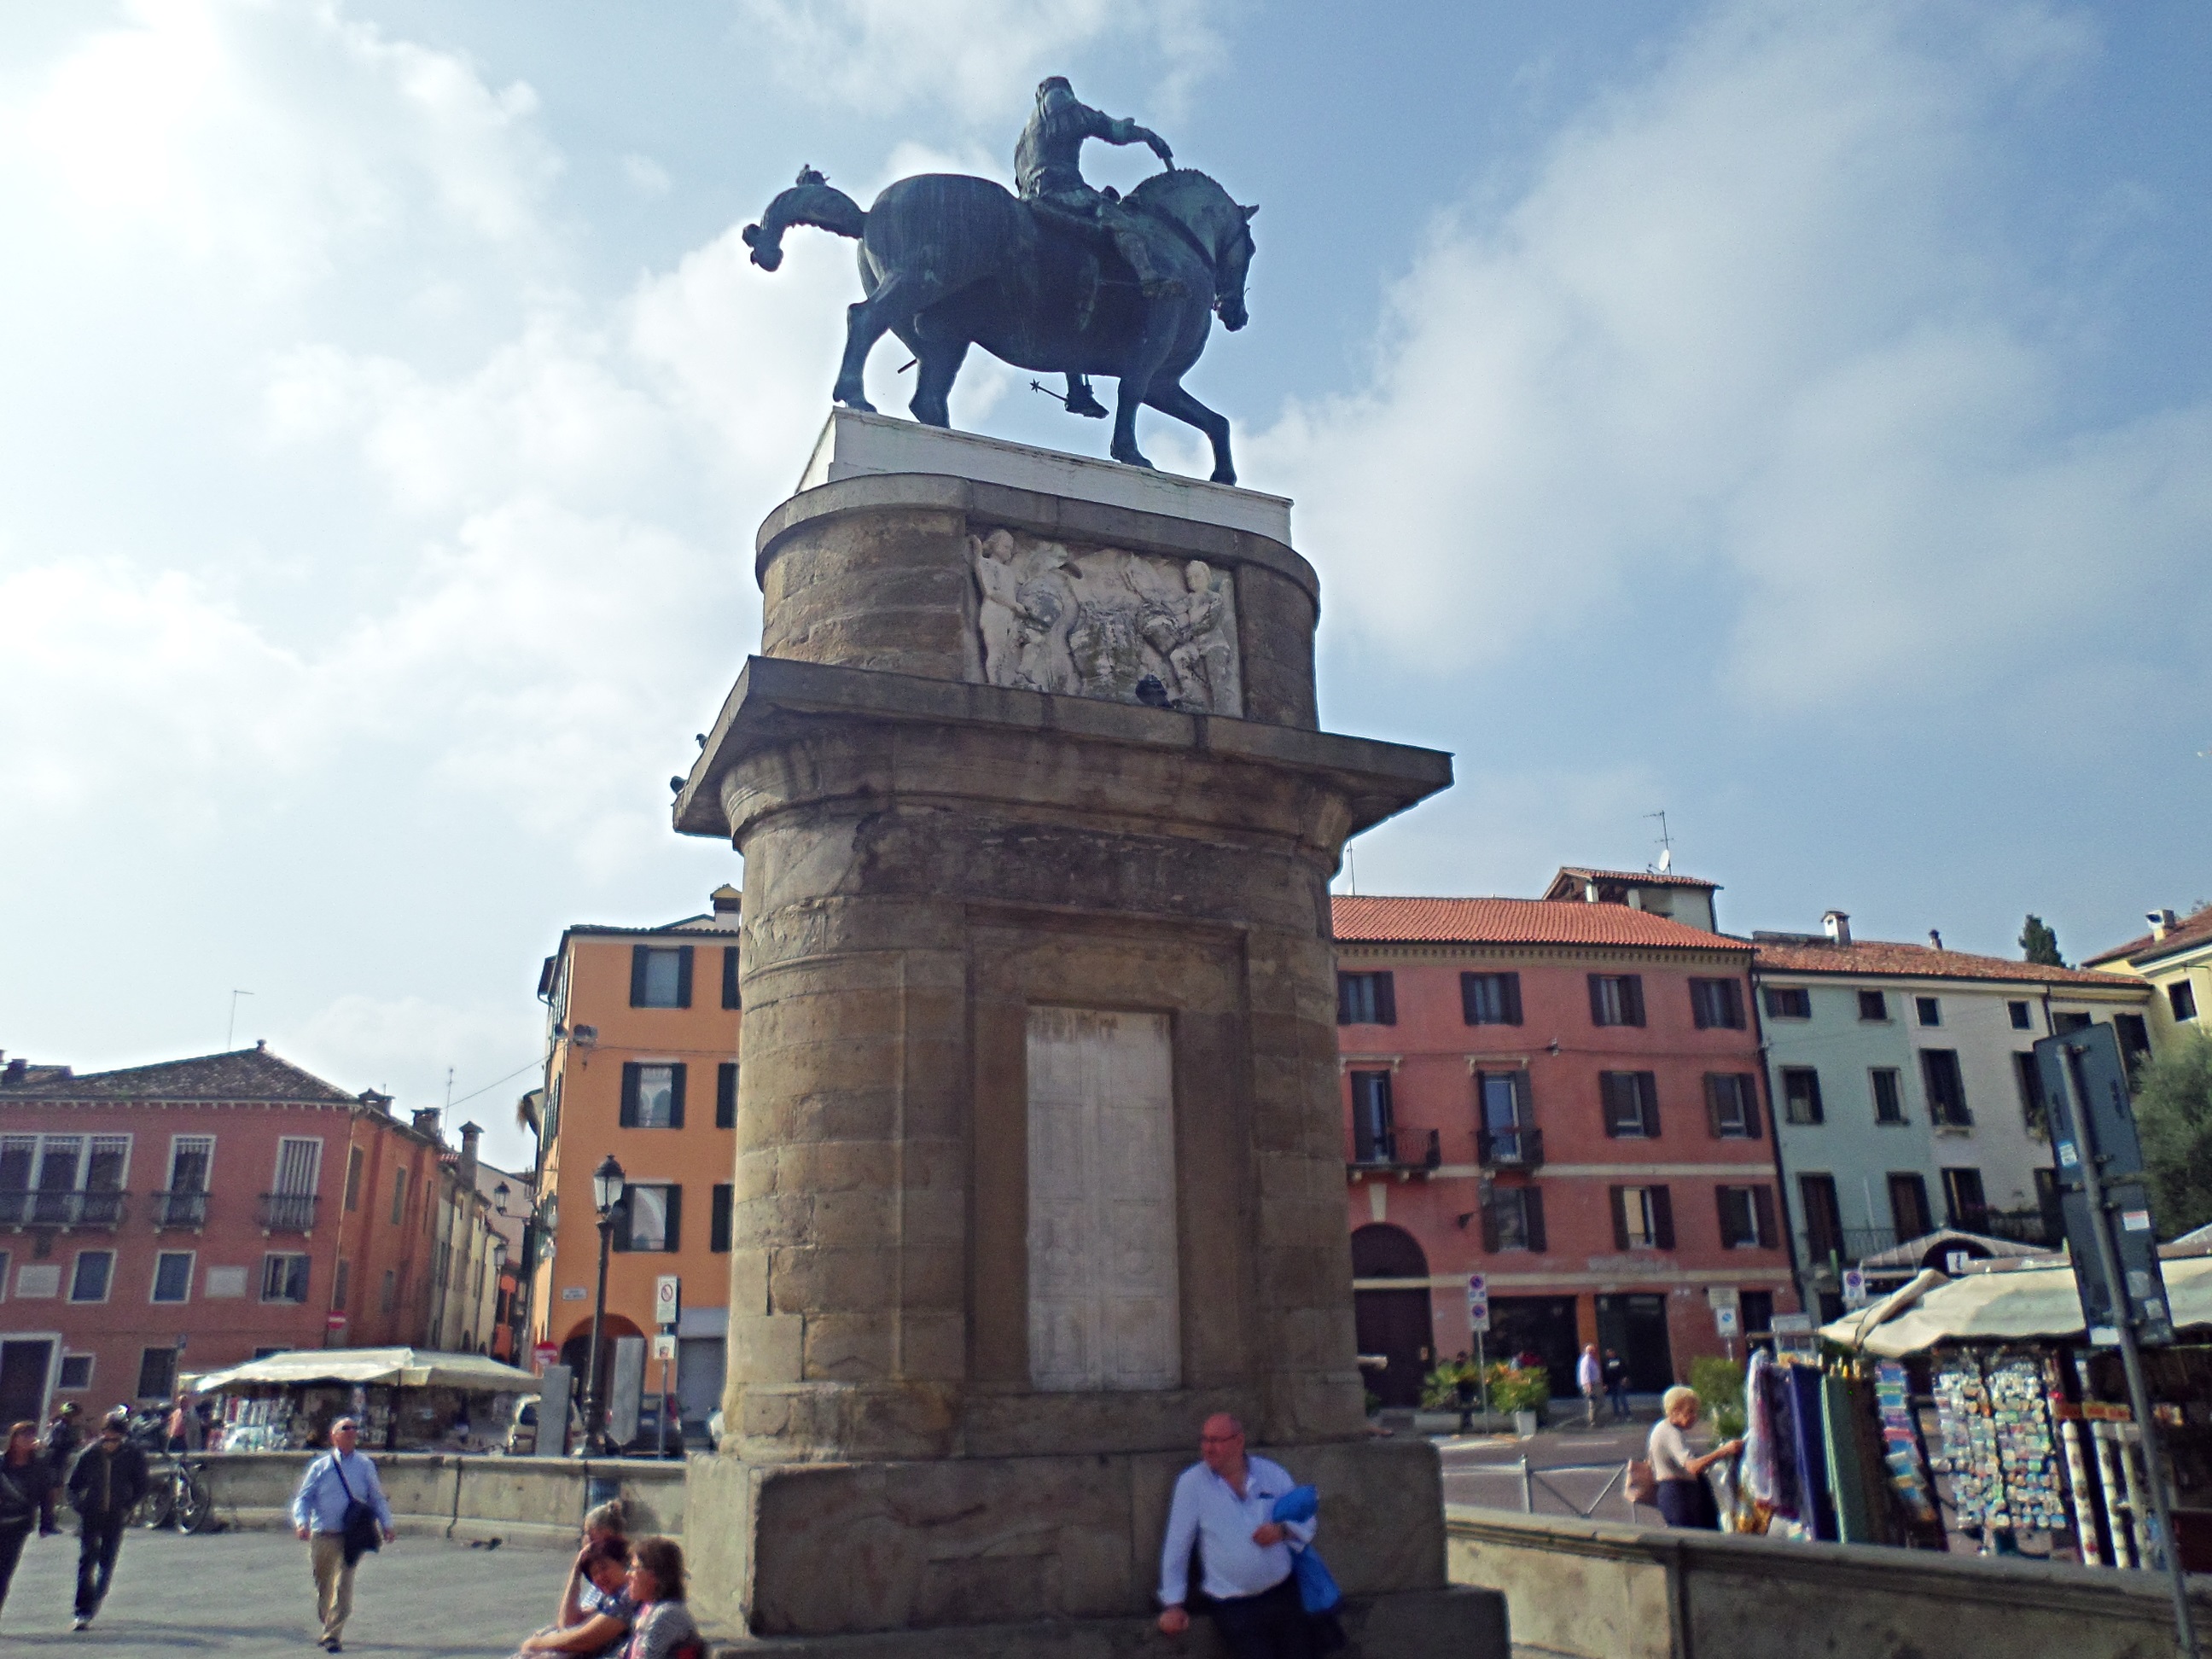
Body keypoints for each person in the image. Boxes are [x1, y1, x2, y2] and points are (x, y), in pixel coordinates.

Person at [1014, 74, 1181, 418]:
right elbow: (1112, 129)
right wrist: (1147, 136)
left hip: (1031, 195)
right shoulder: (1064, 106)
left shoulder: (1024, 136)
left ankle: (1078, 388)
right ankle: (1149, 277)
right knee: (1121, 219)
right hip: (1062, 191)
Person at [1157, 1413, 1315, 1658]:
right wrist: (1173, 1604)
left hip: (1282, 1592)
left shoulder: (1271, 1473)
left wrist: (1282, 1531)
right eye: (1205, 1440)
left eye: (1217, 1440)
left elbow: (1306, 1516)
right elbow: (1177, 1545)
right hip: (1233, 1603)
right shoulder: (1192, 1484)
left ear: (1239, 1441)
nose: (1209, 1448)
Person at [292, 1415, 397, 1651]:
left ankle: (333, 1634)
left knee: (344, 1585)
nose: (351, 1432)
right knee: (324, 1583)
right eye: (345, 1428)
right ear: (334, 1436)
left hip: (351, 1535)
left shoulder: (365, 1465)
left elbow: (376, 1497)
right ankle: (327, 1618)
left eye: (354, 1429)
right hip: (323, 1533)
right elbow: (304, 1498)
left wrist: (387, 1523)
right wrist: (302, 1522)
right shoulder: (321, 1467)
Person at [66, 1408, 148, 1630]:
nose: (110, 1442)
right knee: (86, 1561)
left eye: (116, 1437)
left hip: (115, 1515)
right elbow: (72, 1486)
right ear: (103, 1433)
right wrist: (80, 1507)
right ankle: (82, 1611)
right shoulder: (90, 1454)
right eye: (107, 1436)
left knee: (107, 1562)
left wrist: (128, 1506)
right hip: (91, 1515)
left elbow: (142, 1484)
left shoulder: (132, 1454)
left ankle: (94, 1600)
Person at [515, 1536, 635, 1658]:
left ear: (624, 1563)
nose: (600, 1577)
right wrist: (576, 1572)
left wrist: (536, 1644)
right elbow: (569, 1622)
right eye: (594, 1574)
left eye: (604, 1568)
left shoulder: (627, 1596)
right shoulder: (610, 1598)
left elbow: (584, 1641)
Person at [1648, 1386, 1742, 1531]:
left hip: (1680, 1493)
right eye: (1690, 1411)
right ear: (1675, 1410)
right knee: (1694, 1541)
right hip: (1678, 1494)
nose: (1694, 1417)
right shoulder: (1670, 1433)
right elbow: (1692, 1467)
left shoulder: (1663, 1429)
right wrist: (1724, 1451)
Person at [0, 1420, 61, 1624]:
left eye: (30, 1436)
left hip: (17, 1526)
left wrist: (47, 1522)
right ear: (13, 1439)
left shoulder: (39, 1467)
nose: (26, 1440)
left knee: (4, 1572)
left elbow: (47, 1495)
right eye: (22, 1436)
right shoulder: (2, 1464)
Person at [619, 1536, 698, 1659]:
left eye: (634, 1568)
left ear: (654, 1576)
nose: (628, 1574)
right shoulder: (648, 1606)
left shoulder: (668, 1614)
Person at [44, 1401, 82, 1466]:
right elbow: (56, 1442)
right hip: (56, 1458)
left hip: (66, 1457)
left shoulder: (74, 1427)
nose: (72, 1417)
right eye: (69, 1415)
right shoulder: (60, 1426)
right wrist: (73, 1443)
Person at [1576, 1344, 1603, 1429]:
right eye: (1592, 1350)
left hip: (1596, 1384)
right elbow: (1585, 1374)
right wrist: (1588, 1386)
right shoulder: (1586, 1360)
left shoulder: (1592, 1360)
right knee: (1593, 1403)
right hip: (1591, 1385)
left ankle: (1593, 1418)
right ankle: (1592, 1421)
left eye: (1594, 1350)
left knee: (1600, 1402)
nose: (1594, 1352)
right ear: (1588, 1351)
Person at [1603, 1349, 1631, 1422]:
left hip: (1620, 1382)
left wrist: (1625, 1378)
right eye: (1608, 1353)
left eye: (1611, 1353)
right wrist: (1605, 1384)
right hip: (1611, 1383)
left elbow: (1626, 1370)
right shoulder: (1606, 1362)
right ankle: (1617, 1416)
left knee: (1623, 1399)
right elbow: (1604, 1374)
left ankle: (1628, 1415)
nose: (1609, 1354)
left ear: (1614, 1353)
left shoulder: (1620, 1360)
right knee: (1614, 1400)